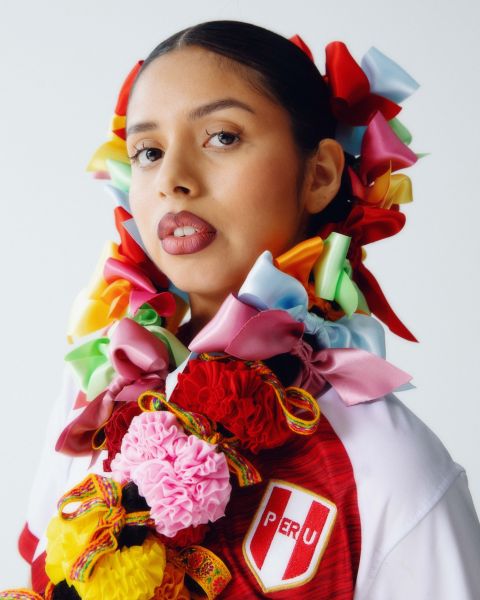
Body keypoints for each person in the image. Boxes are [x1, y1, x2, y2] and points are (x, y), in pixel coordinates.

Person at [4, 19, 480, 600]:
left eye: (222, 138)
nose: (173, 179)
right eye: (149, 152)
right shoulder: (96, 398)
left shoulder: (390, 467)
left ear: (321, 175)